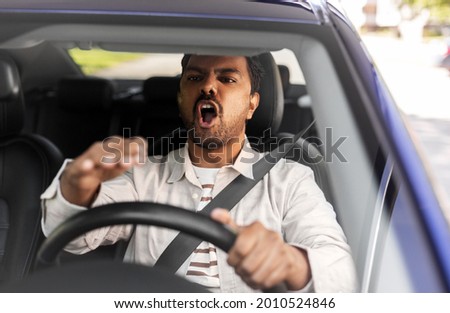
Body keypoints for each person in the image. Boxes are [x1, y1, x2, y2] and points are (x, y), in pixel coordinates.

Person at [41, 54, 358, 292]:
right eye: (194, 78)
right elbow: (74, 237)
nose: (208, 86)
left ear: (252, 104)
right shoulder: (143, 175)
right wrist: (76, 187)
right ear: (181, 98)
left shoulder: (290, 180)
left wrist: (290, 262)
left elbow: (342, 271)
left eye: (227, 78)